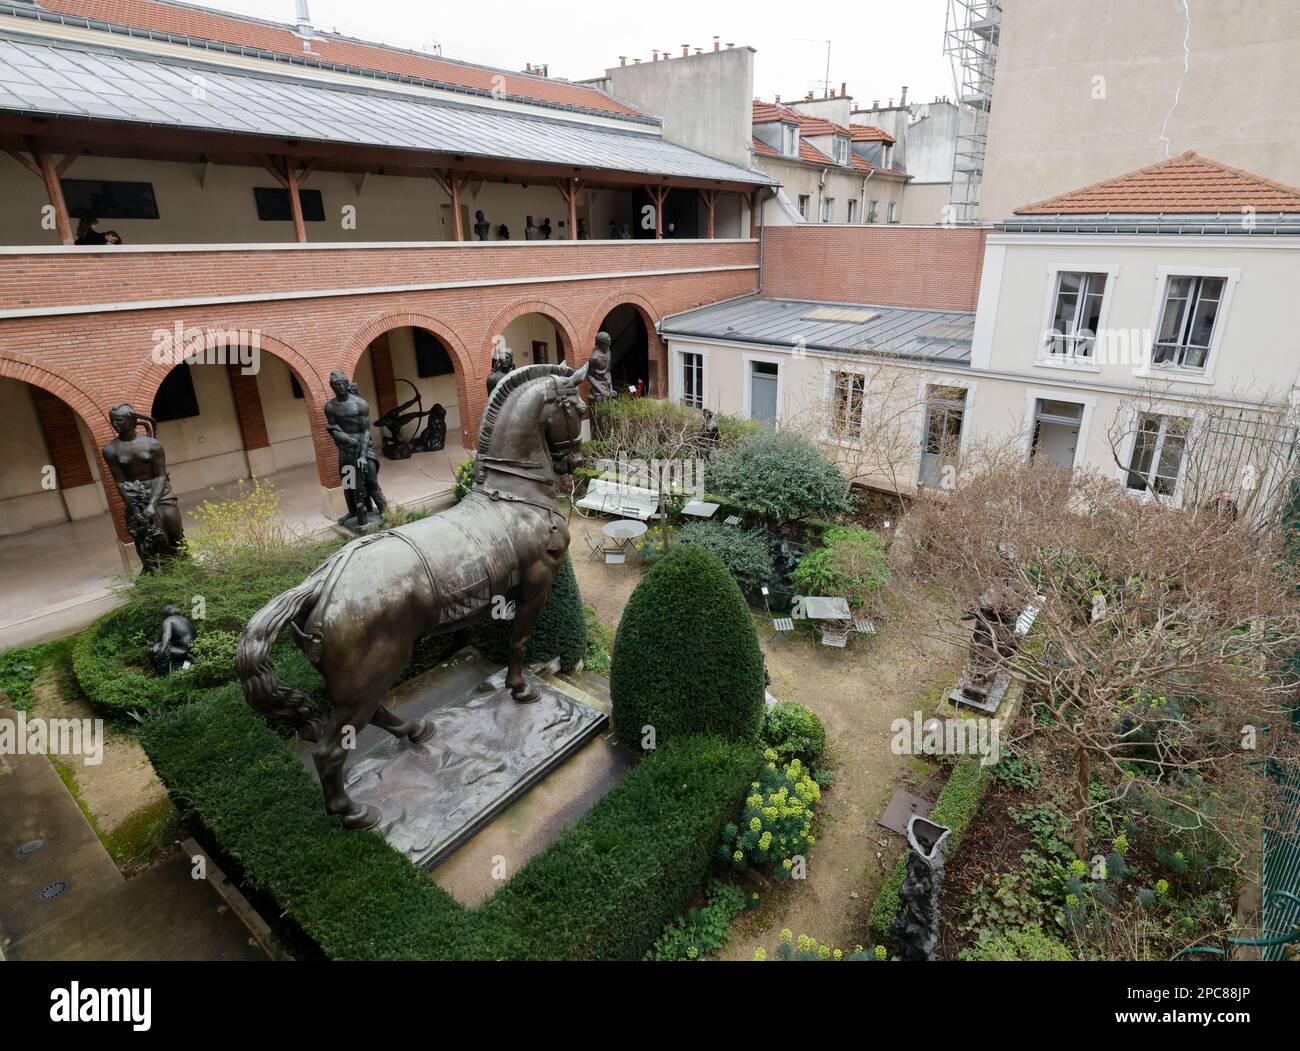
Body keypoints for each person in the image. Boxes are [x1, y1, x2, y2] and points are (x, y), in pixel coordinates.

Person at [101, 403, 185, 571]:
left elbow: (160, 475)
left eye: (119, 421)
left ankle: (184, 566)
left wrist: (152, 504)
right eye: (112, 421)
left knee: (175, 532)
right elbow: (120, 482)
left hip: (162, 495)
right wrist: (135, 509)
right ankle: (154, 571)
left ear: (132, 421)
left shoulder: (152, 445)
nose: (115, 425)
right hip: (136, 499)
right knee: (146, 540)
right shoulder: (110, 450)